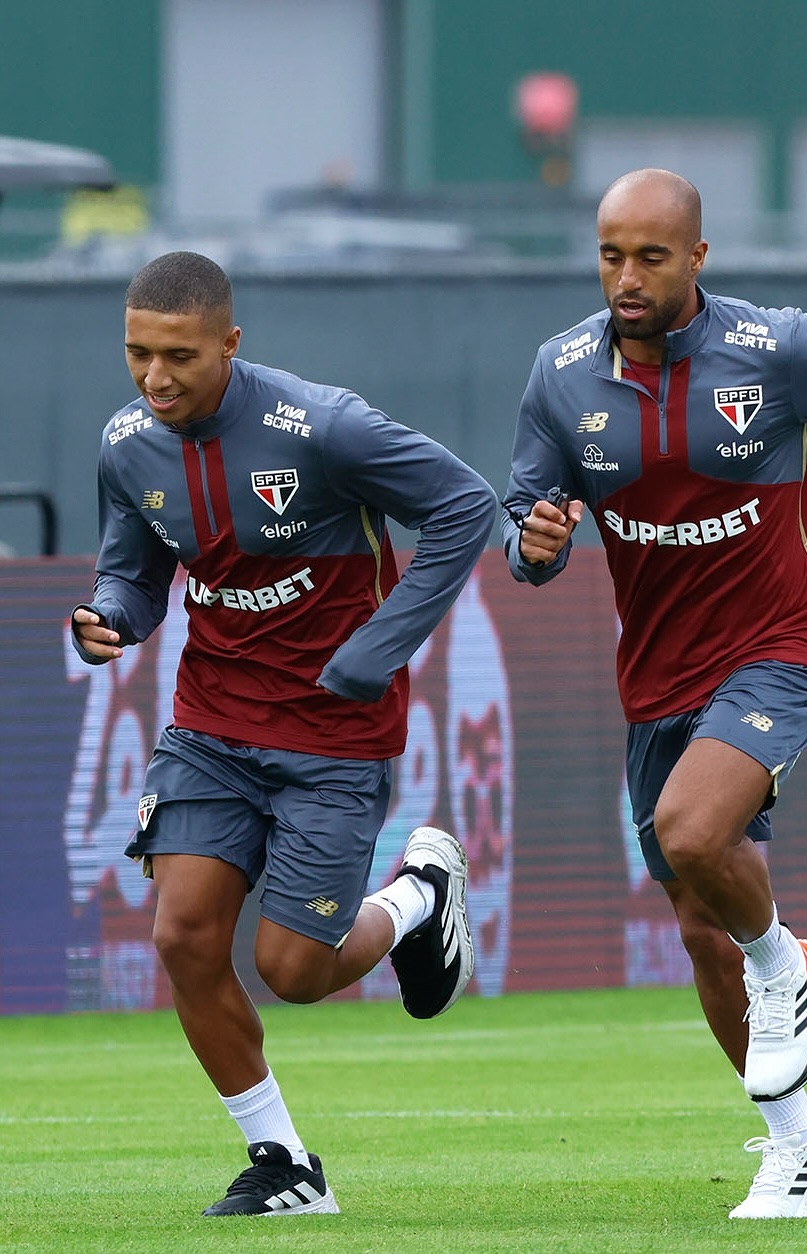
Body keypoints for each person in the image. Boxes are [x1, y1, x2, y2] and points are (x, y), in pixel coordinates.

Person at [501, 169, 807, 1220]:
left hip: (778, 642)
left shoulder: (774, 350)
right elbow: (525, 513)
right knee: (697, 925)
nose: (625, 276)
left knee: (693, 834)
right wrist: (533, 539)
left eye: (650, 256)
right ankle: (799, 1144)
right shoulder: (559, 373)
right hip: (655, 674)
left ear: (697, 259)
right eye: (610, 254)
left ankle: (782, 960)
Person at [71, 251, 497, 1217]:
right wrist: (109, 616)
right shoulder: (128, 442)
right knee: (182, 935)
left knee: (293, 972)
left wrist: (380, 647)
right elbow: (134, 574)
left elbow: (465, 506)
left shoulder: (324, 426)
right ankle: (285, 1166)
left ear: (230, 343)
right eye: (137, 354)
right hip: (211, 726)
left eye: (178, 355)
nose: (154, 378)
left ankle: (418, 895)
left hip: (333, 738)